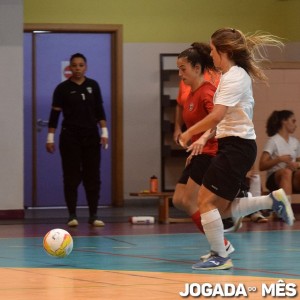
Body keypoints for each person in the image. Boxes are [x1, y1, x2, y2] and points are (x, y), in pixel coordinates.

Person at [179, 28, 294, 270]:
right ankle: (271, 201)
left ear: (226, 51)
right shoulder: (228, 75)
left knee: (205, 202)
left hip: (237, 147)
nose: (210, 55)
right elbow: (223, 118)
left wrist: (190, 133)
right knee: (219, 208)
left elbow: (216, 114)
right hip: (231, 145)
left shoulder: (234, 77)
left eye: (213, 50)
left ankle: (220, 255)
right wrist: (205, 137)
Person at [172, 43, 241, 261]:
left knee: (193, 201)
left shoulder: (208, 92)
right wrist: (193, 146)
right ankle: (222, 243)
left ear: (196, 67)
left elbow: (218, 122)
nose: (180, 73)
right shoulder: (190, 96)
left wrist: (202, 140)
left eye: (183, 68)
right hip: (198, 153)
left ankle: (221, 246)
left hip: (211, 153)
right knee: (178, 200)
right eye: (178, 69)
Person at [46, 53, 109, 227]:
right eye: (74, 65)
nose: (78, 68)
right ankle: (72, 215)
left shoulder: (93, 86)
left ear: (85, 67)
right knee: (71, 176)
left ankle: (93, 215)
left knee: (92, 176)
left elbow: (99, 111)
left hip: (91, 136)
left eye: (81, 65)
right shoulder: (62, 88)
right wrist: (50, 137)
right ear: (70, 68)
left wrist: (104, 132)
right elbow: (54, 115)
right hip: (70, 137)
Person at [259, 110, 300, 196]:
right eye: (293, 121)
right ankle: (285, 207)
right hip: (274, 177)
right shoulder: (273, 141)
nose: (295, 125)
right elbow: (261, 165)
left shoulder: (295, 142)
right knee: (286, 172)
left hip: (292, 173)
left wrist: (296, 165)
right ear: (284, 121)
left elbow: (298, 162)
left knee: (290, 172)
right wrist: (279, 159)